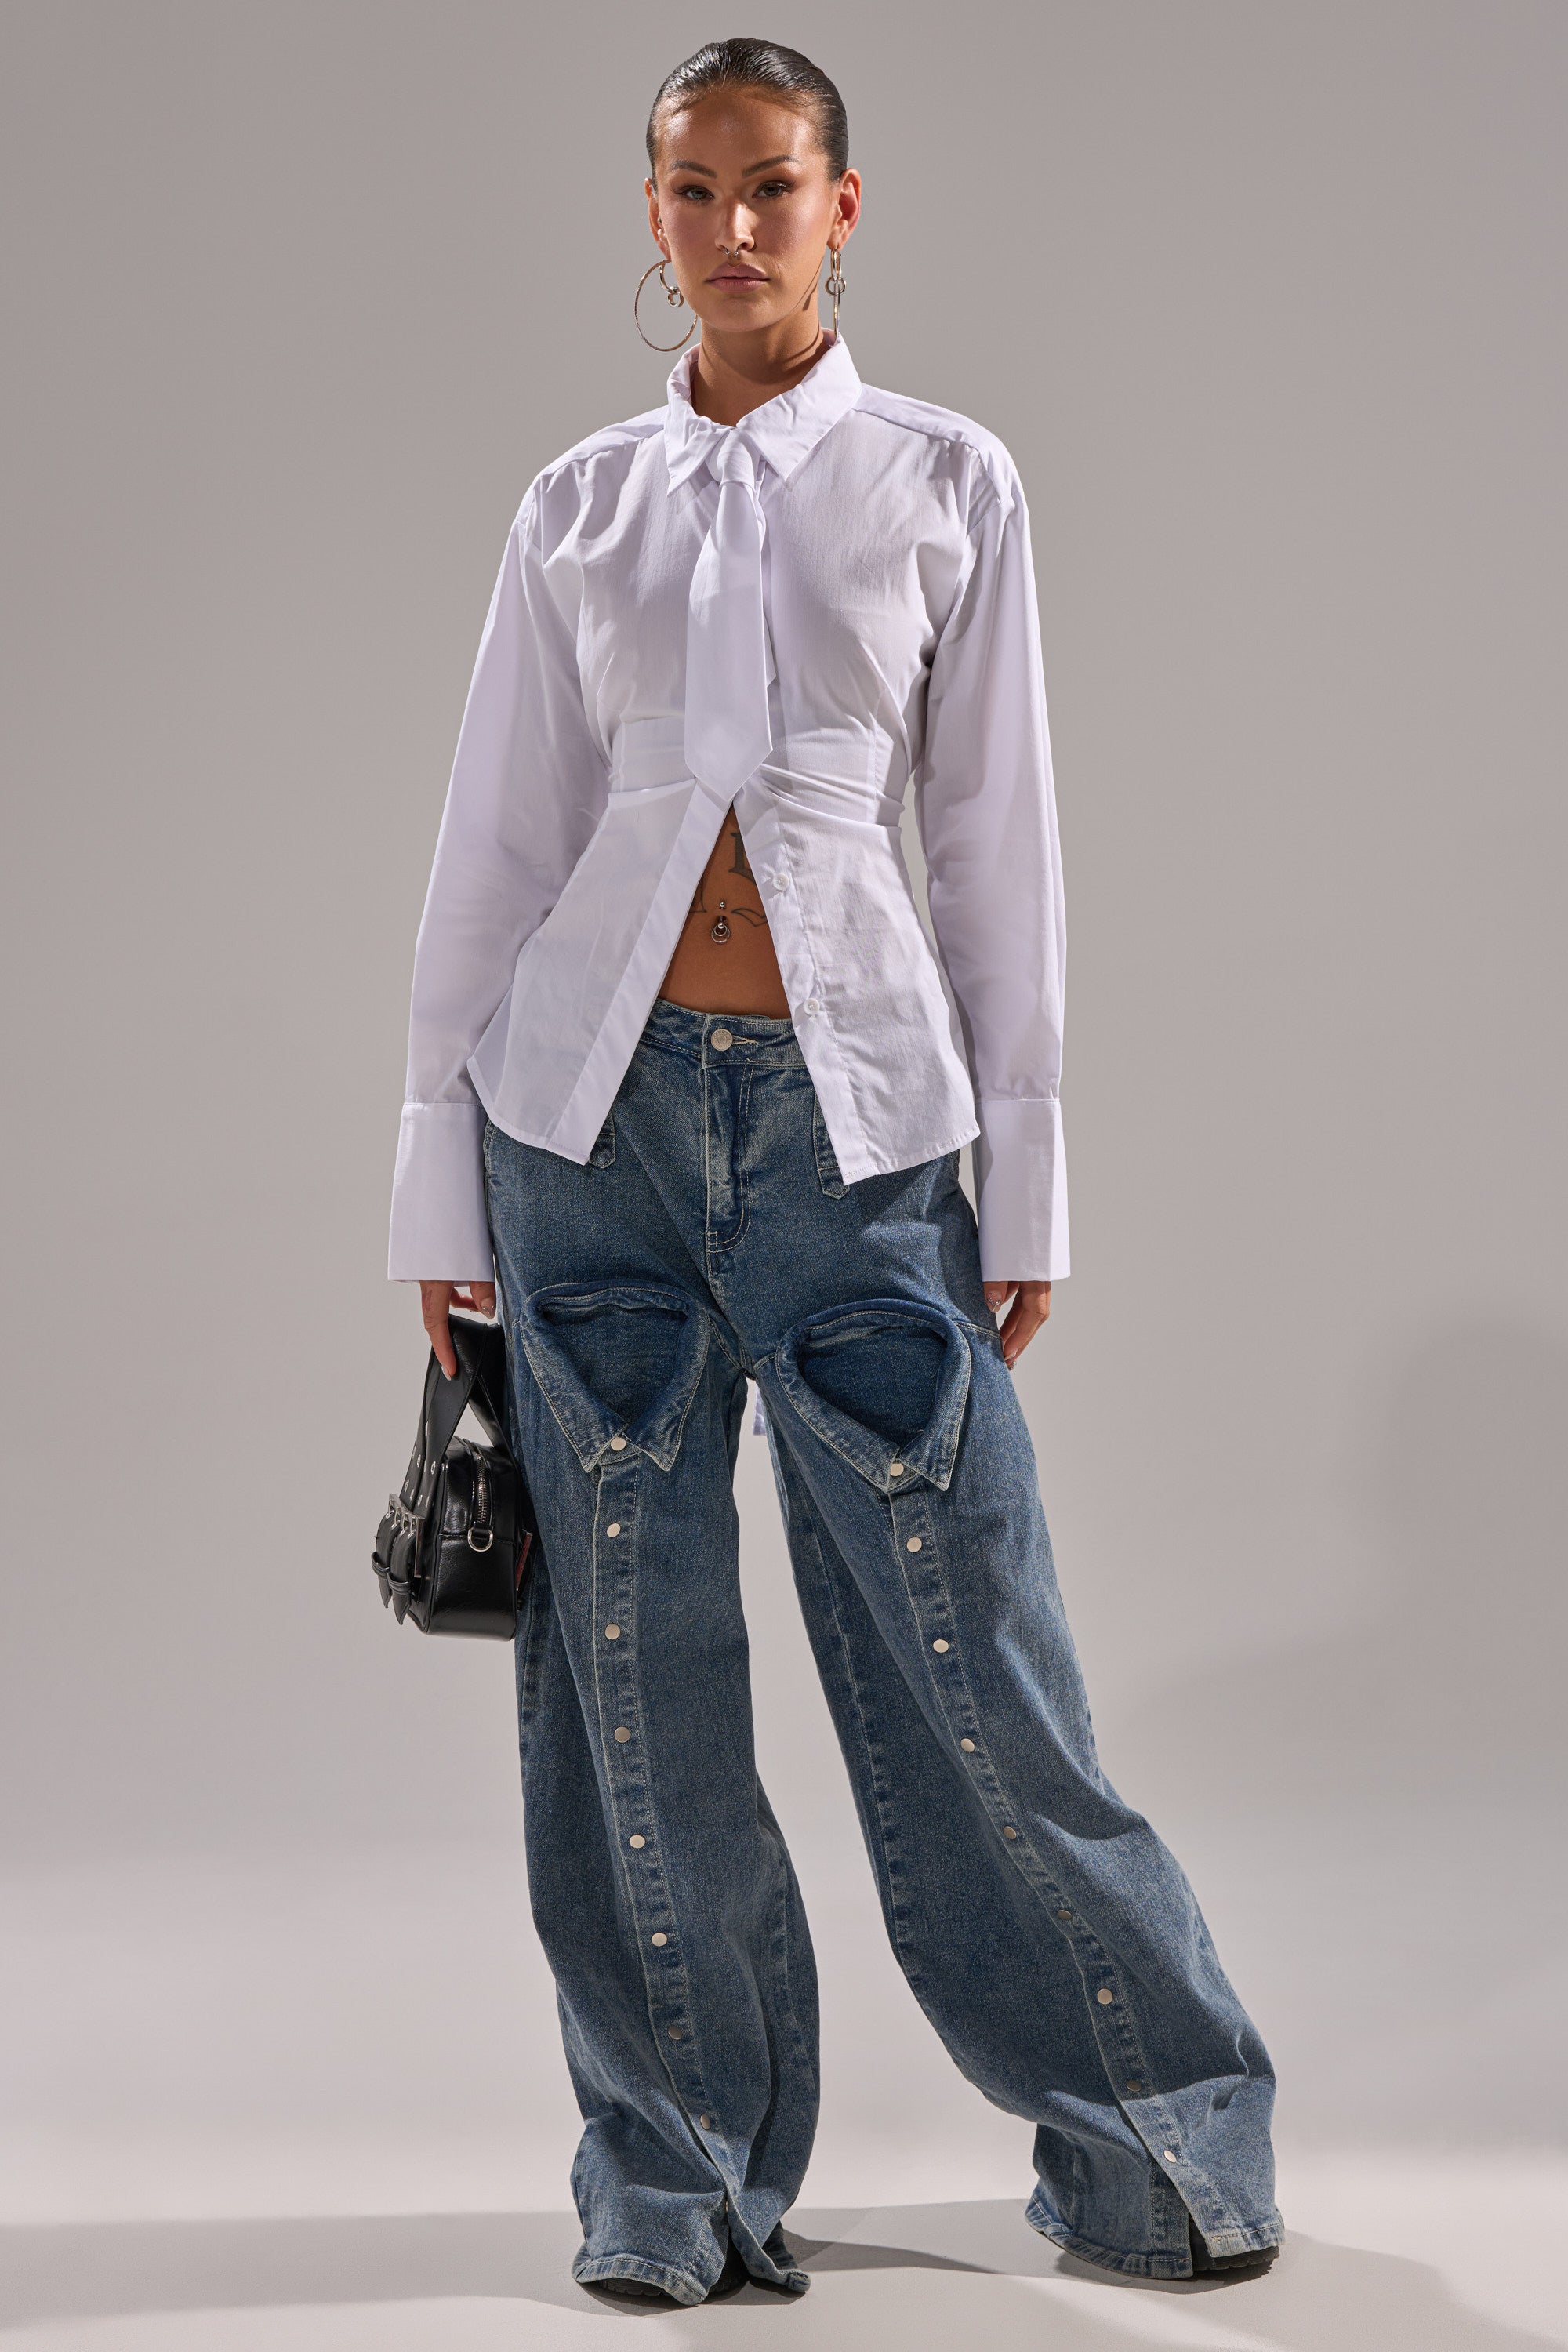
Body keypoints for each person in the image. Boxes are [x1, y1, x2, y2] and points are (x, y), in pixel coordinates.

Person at [388, 36, 1281, 2309]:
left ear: (846, 205)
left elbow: (997, 858)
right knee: (622, 1667)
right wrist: (435, 1187)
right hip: (575, 1128)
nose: (733, 227)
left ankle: (1162, 2143)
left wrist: (1033, 1179)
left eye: (773, 186)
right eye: (692, 190)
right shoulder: (573, 502)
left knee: (973, 1646)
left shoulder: (945, 480)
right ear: (655, 216)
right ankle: (673, 2183)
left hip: (854, 1136)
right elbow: (496, 851)